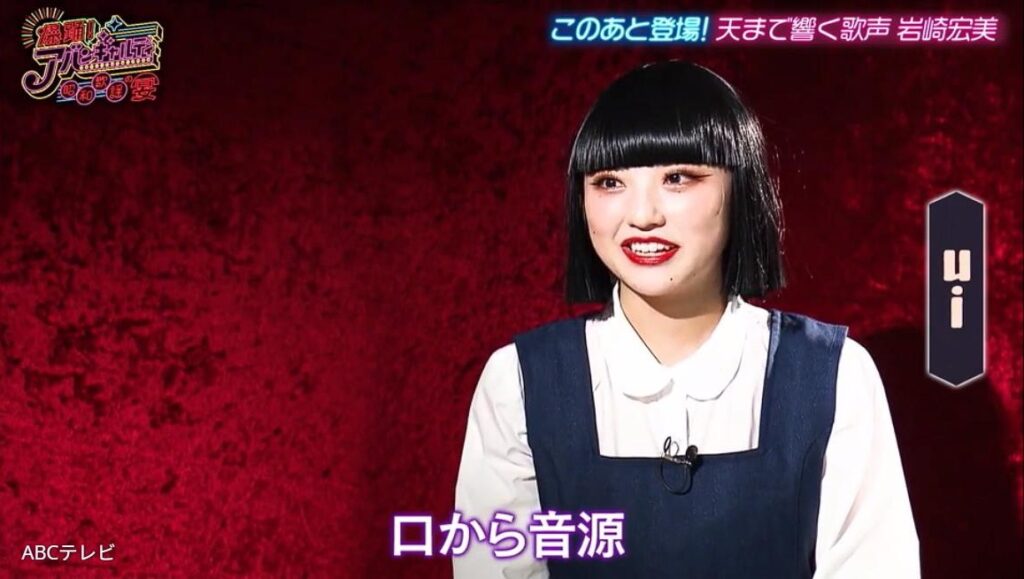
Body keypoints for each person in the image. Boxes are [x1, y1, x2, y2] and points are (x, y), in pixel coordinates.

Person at [453, 60, 919, 578]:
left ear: (740, 188)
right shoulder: (518, 382)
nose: (642, 215)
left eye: (677, 178)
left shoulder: (834, 376)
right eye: (610, 182)